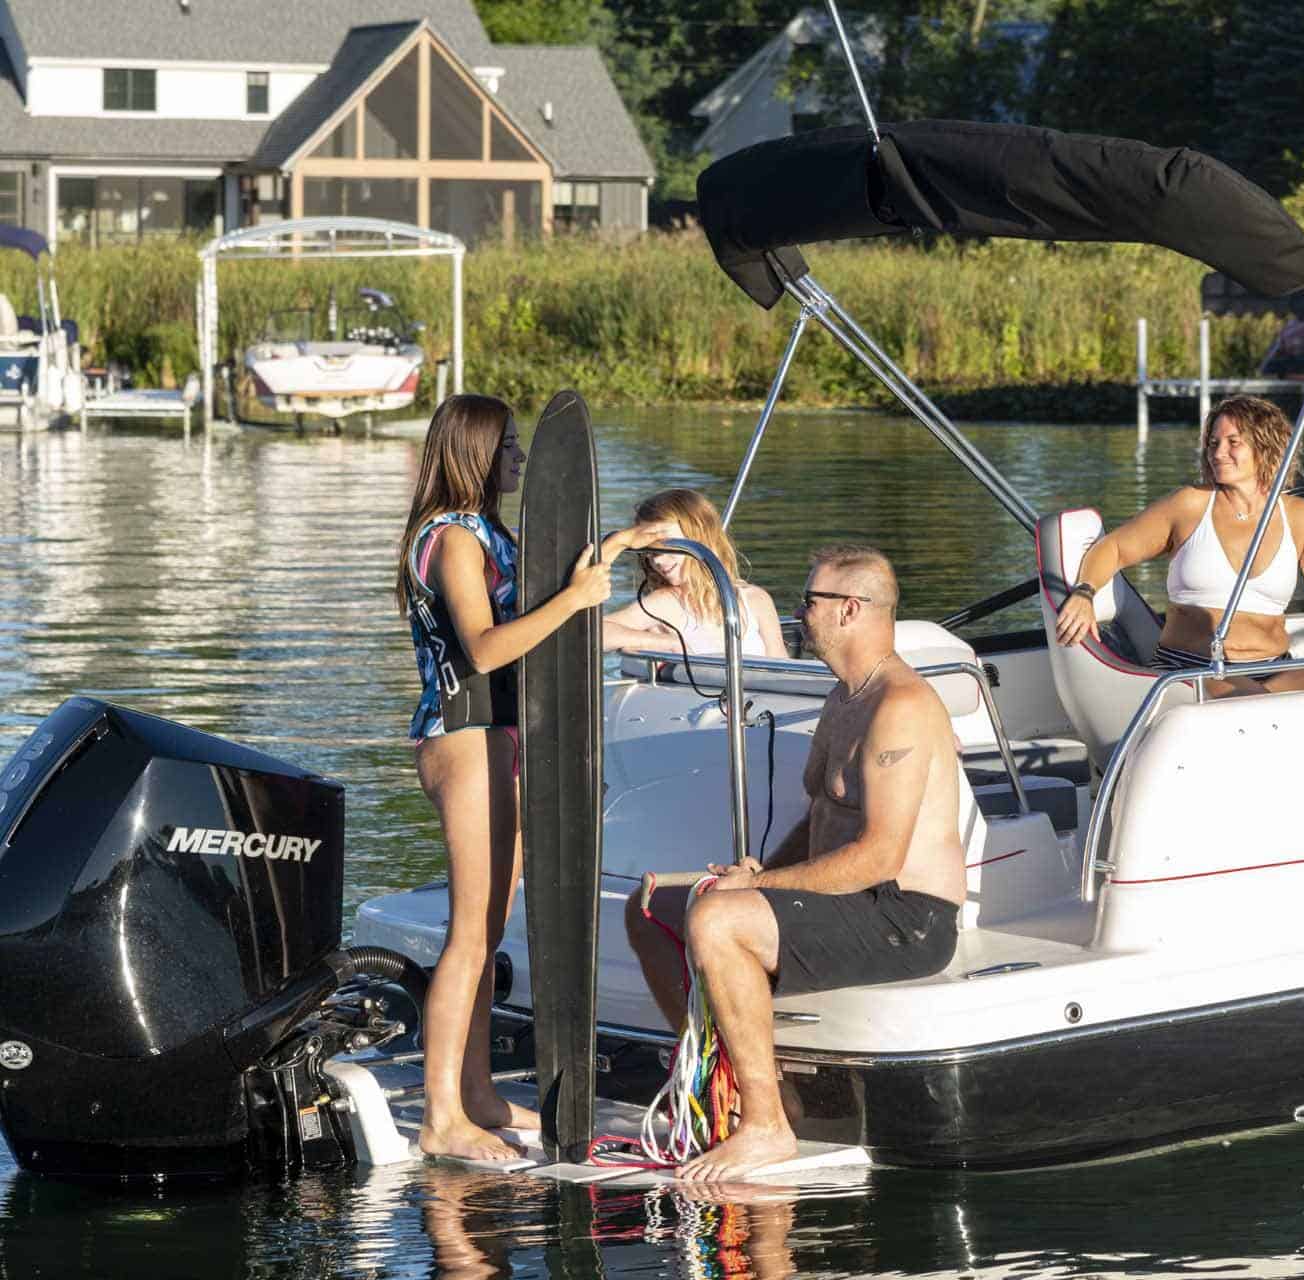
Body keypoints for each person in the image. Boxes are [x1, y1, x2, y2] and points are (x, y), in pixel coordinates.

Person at [625, 545, 965, 1180]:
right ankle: (738, 1090)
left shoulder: (900, 707)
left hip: (907, 918)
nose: (798, 612)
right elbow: (822, 822)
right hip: (853, 900)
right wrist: (755, 875)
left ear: (850, 610)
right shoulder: (845, 698)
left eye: (810, 601)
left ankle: (767, 1128)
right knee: (652, 909)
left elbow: (877, 858)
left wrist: (755, 888)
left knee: (718, 922)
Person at [396, 393, 614, 1162]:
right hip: (464, 737)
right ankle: (439, 1117)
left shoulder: (490, 532)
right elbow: (487, 649)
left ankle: (479, 1095)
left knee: (488, 935)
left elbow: (549, 626)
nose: (521, 462)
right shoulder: (454, 538)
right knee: (467, 933)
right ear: (476, 454)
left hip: (499, 741)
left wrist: (621, 590)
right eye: (510, 449)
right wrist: (576, 601)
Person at [1053, 394, 1304, 694]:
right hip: (1191, 670)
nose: (1218, 452)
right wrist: (1085, 592)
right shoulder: (1190, 505)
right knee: (1254, 707)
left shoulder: (1301, 517)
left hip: (1274, 668)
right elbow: (1113, 548)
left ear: (1266, 447)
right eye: (1213, 442)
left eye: (1233, 443)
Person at [600, 488, 788, 661]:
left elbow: (782, 664)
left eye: (668, 545)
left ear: (700, 537)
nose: (657, 560)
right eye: (651, 551)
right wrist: (662, 642)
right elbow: (597, 632)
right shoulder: (665, 603)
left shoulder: (755, 599)